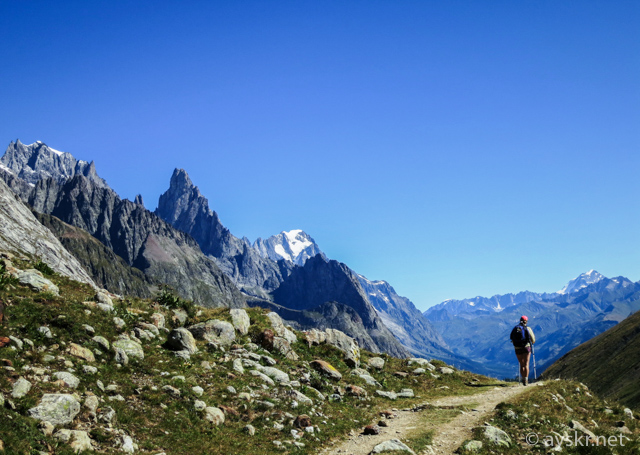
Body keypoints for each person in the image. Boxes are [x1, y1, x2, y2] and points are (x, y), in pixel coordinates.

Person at [510, 315, 535, 386]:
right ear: (526, 321)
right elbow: (533, 340)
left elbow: (511, 337)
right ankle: (525, 380)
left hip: (517, 348)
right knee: (526, 364)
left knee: (521, 364)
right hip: (526, 347)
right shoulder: (528, 328)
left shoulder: (515, 328)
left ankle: (522, 379)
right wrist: (531, 342)